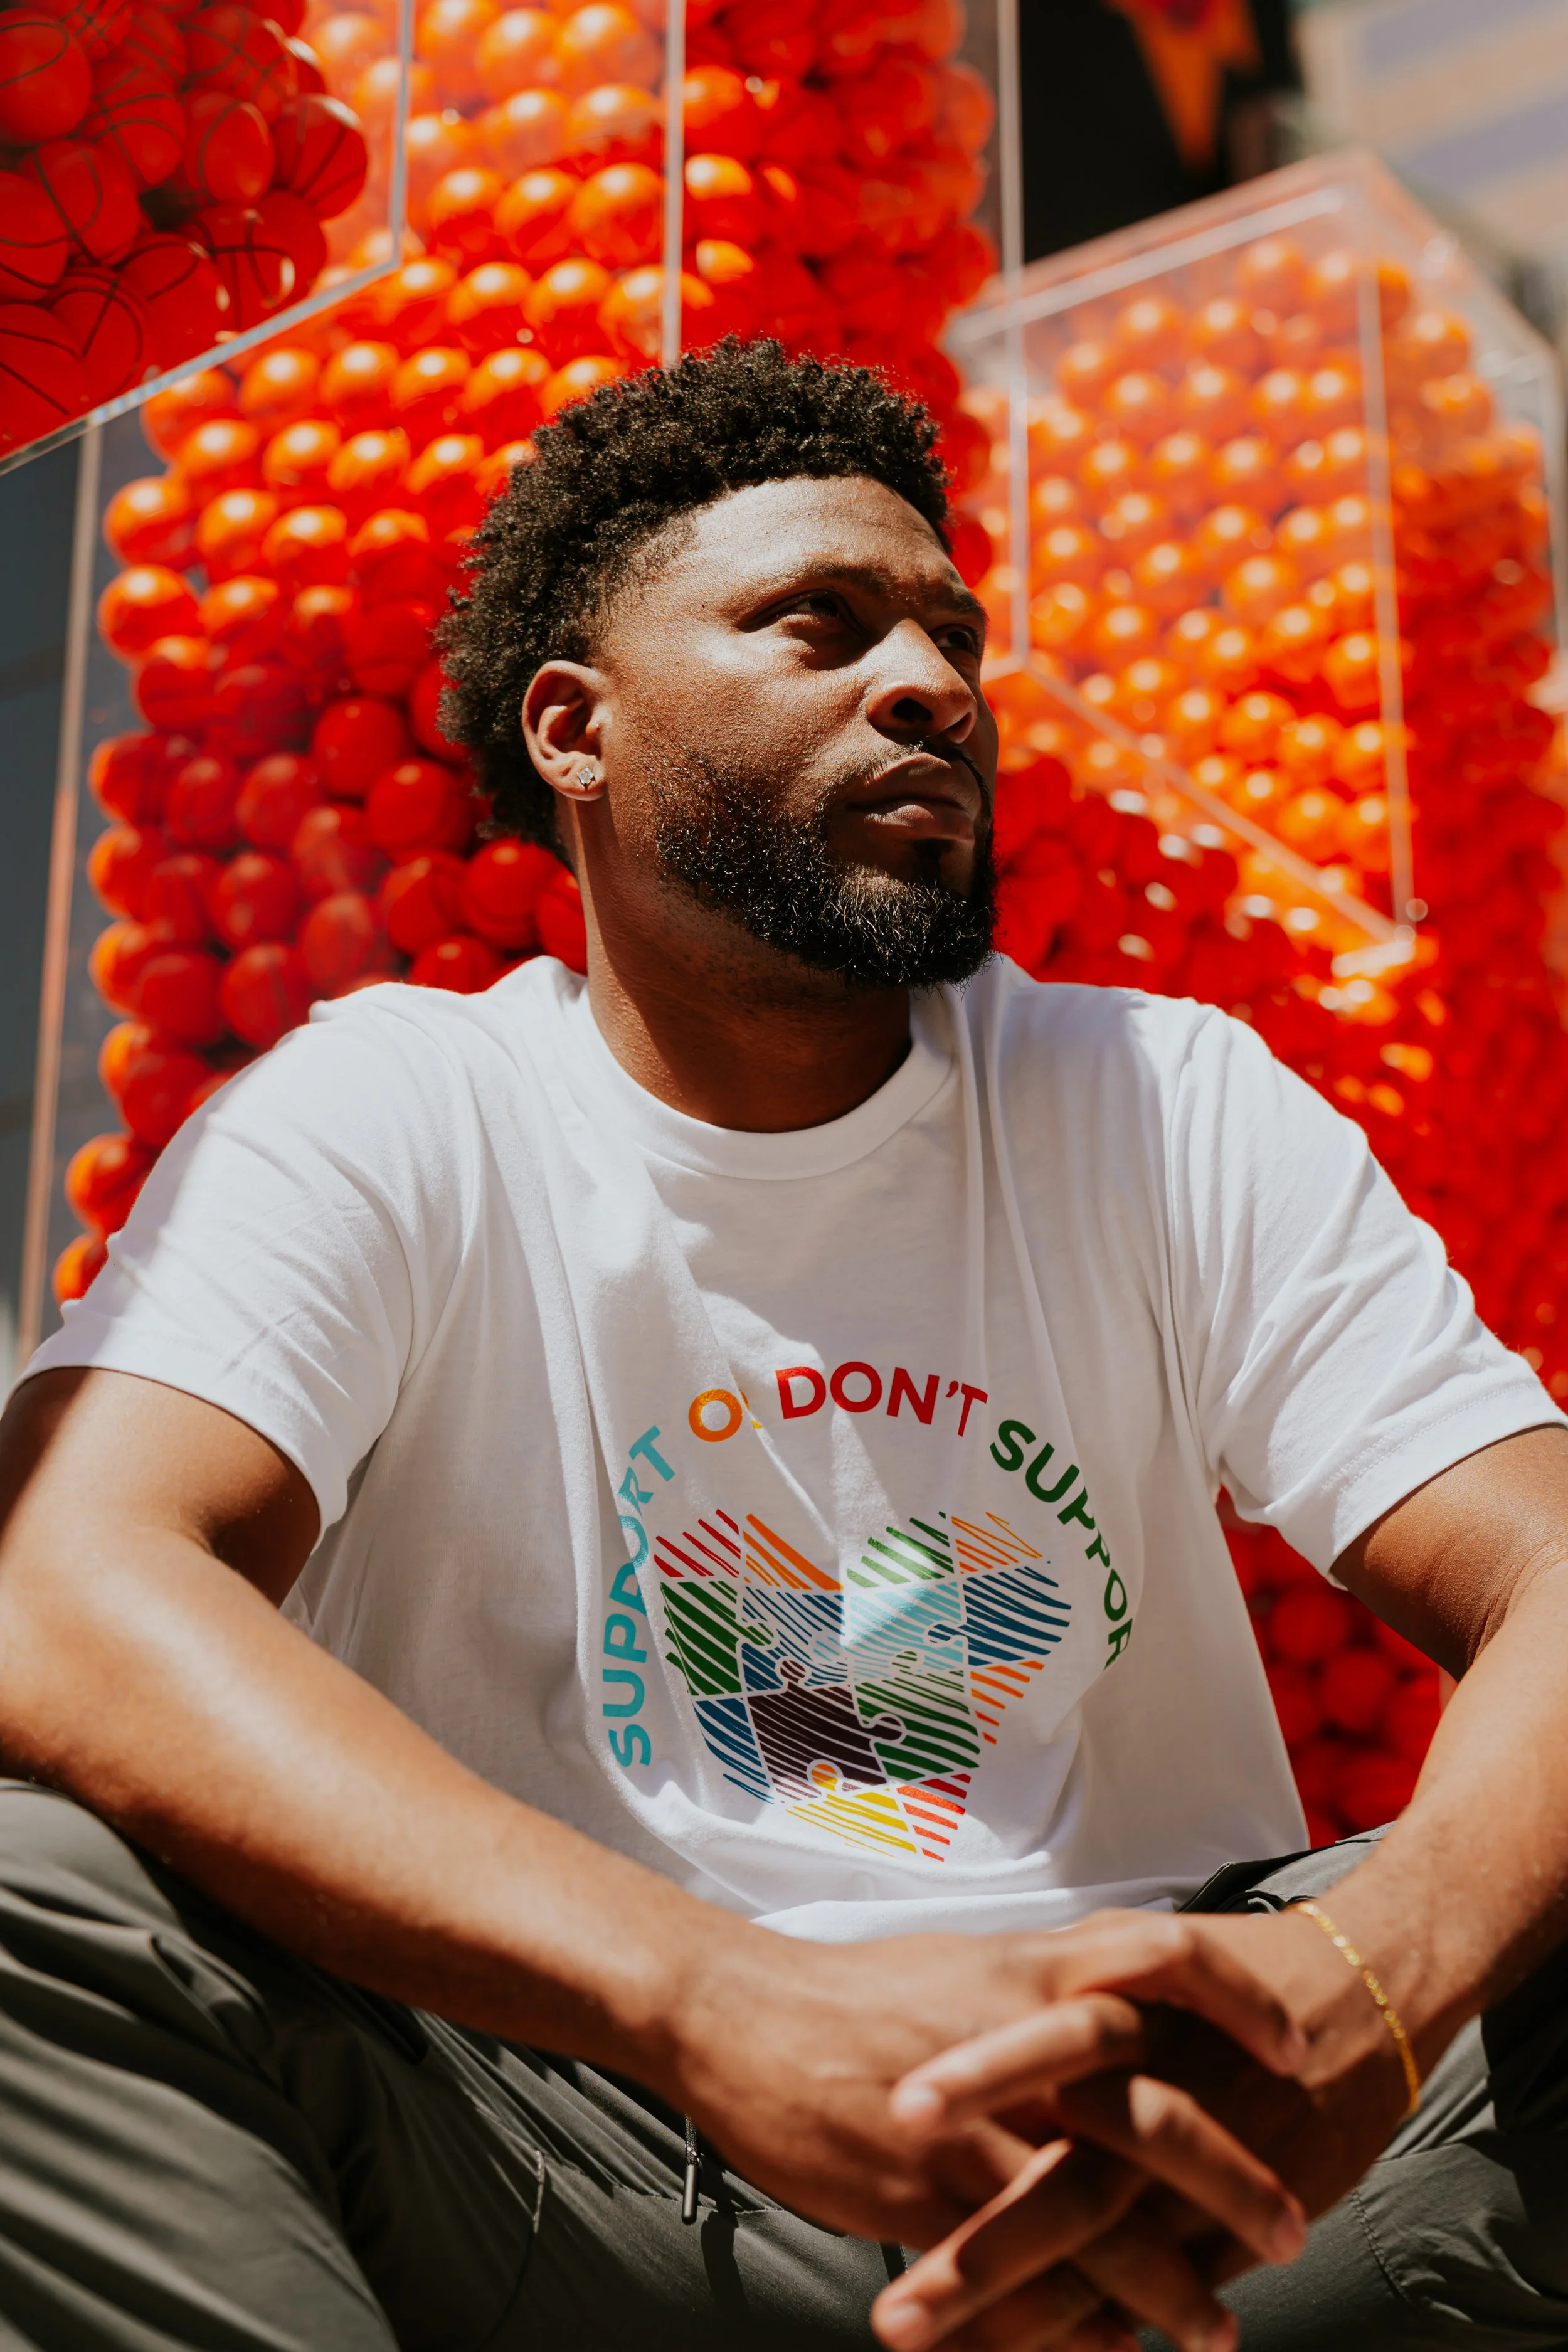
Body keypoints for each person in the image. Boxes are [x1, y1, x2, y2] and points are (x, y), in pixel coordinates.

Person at [0, 341, 1565, 2352]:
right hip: (593, 2156)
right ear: (575, 728)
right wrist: (718, 1998)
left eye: (947, 633)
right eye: (815, 625)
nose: (927, 684)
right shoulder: (398, 1103)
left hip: (1196, 2146)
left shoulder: (1159, 1097)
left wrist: (1371, 1974)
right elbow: (58, 1579)